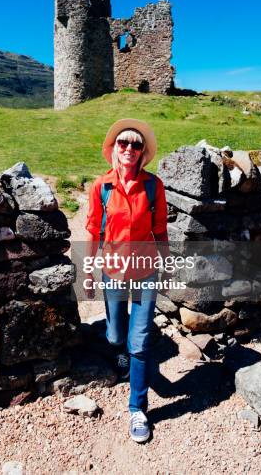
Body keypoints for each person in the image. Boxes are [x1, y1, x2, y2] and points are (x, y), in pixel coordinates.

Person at [84, 118, 170, 443]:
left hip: (147, 268)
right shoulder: (101, 187)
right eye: (124, 143)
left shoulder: (153, 185)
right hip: (113, 268)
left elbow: (160, 228)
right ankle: (121, 355)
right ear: (114, 149)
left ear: (143, 151)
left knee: (140, 338)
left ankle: (137, 408)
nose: (129, 149)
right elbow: (93, 230)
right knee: (116, 332)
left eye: (136, 144)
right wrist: (90, 273)